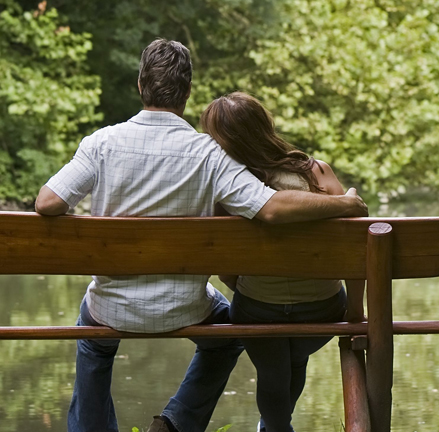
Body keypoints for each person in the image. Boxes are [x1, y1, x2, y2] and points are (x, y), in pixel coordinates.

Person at [34, 40, 368, 432]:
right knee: (229, 332)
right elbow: (271, 207)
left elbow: (47, 202)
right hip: (186, 309)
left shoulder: (100, 144)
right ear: (188, 92)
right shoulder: (209, 153)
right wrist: (345, 205)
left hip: (110, 309)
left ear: (140, 85)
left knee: (91, 337)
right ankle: (177, 423)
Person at [200, 92, 366, 432]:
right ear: (265, 125)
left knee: (274, 370)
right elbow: (357, 250)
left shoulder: (229, 190)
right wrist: (355, 311)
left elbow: (224, 267)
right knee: (293, 360)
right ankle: (274, 427)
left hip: (257, 313)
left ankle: (274, 428)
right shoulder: (316, 172)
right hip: (323, 311)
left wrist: (245, 284)